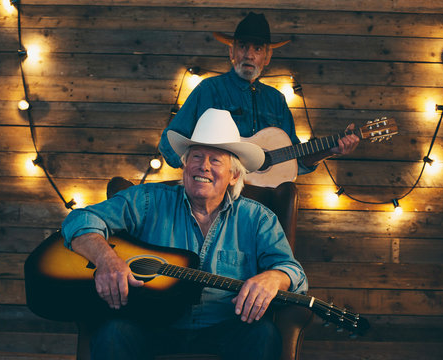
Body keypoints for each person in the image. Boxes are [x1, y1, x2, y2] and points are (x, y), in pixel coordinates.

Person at [61, 108, 308, 360]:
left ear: (234, 175)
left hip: (227, 329)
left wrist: (275, 278)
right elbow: (80, 219)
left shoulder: (258, 218)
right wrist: (106, 259)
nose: (203, 166)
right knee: (113, 332)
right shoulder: (147, 201)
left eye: (215, 160)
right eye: (197, 156)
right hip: (151, 324)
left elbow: (293, 272)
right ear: (184, 165)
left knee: (263, 334)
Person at [158, 11, 359, 176]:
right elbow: (168, 142)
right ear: (232, 52)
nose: (249, 54)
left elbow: (294, 159)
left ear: (267, 56)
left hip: (265, 194)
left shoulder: (277, 100)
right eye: (242, 46)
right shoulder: (209, 89)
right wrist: (201, 171)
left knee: (288, 194)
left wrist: (330, 150)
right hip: (219, 194)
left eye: (258, 48)